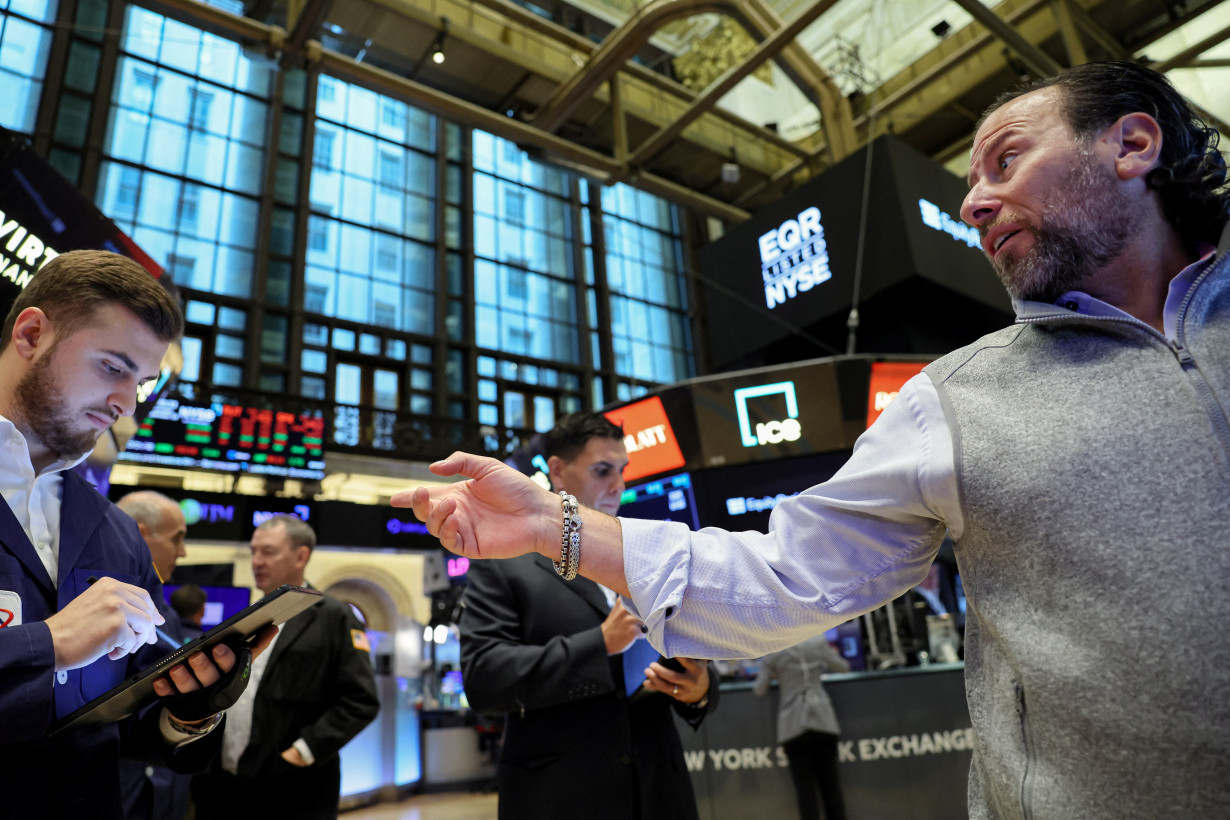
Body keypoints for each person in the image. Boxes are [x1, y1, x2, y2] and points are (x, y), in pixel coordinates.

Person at [394, 61, 1230, 818]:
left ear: (1132, 144)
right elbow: (781, 574)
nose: (973, 204)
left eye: (1004, 162)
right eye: (970, 181)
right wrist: (553, 527)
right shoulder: (951, 403)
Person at [0, 250, 270, 819]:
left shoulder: (116, 532)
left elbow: (136, 714)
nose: (127, 403)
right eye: (112, 366)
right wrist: (46, 645)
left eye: (142, 381)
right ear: (31, 335)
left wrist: (190, 704)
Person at [458, 412, 719, 820]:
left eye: (622, 470)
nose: (619, 484)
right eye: (602, 470)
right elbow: (484, 679)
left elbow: (692, 656)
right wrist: (599, 644)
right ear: (558, 471)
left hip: (659, 790)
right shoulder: (507, 562)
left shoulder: (644, 554)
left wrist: (700, 686)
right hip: (562, 796)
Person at [192, 515, 379, 820]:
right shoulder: (247, 617)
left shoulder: (335, 616)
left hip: (292, 788)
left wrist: (302, 753)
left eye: (268, 552)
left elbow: (361, 701)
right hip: (226, 784)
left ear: (301, 556)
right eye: (253, 551)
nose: (257, 561)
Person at [115, 490, 195, 820]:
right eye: (177, 539)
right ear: (139, 532)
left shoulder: (167, 614)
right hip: (114, 790)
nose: (183, 552)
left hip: (162, 792)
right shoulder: (83, 602)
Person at [753, 635, 850, 820]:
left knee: (805, 793)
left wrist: (775, 672)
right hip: (823, 719)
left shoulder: (774, 648)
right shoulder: (818, 642)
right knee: (831, 787)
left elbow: (759, 689)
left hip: (793, 724)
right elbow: (844, 667)